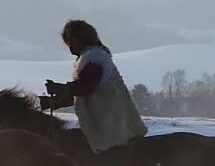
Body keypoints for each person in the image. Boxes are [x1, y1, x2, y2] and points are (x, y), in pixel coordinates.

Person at [41, 19, 147, 154]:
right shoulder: (90, 58)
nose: (69, 46)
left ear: (82, 38)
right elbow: (82, 93)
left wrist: (59, 88)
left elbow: (86, 87)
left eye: (71, 41)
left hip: (108, 121)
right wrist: (55, 102)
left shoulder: (94, 58)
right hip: (109, 119)